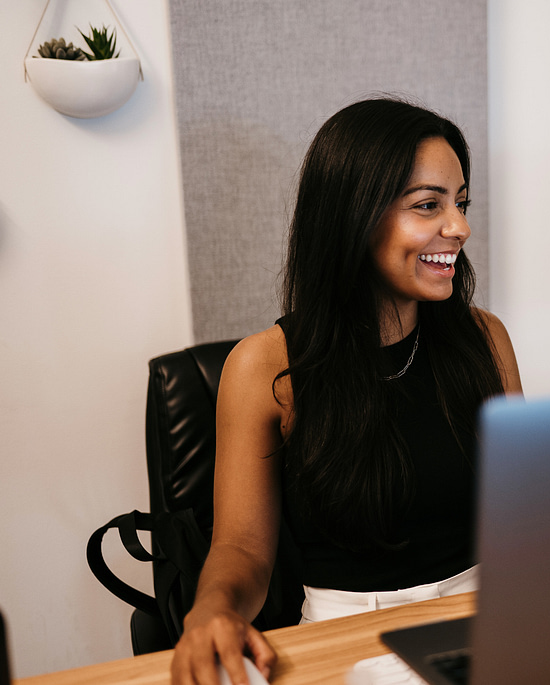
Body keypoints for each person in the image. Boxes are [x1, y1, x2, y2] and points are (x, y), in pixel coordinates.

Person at [170, 97, 522, 685]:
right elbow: (243, 551)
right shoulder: (264, 367)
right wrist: (213, 610)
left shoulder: (485, 338)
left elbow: (525, 511)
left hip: (484, 622)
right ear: (355, 216)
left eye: (460, 202)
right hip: (347, 641)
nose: (458, 226)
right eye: (428, 205)